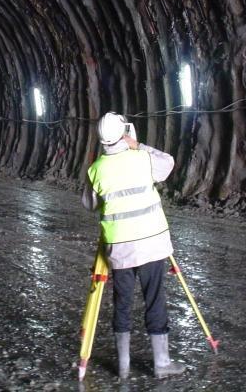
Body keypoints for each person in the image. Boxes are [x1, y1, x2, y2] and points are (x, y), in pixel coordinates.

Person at [82, 111, 185, 380]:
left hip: (119, 248)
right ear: (124, 133)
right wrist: (137, 145)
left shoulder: (96, 169)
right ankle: (161, 363)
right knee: (155, 300)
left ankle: (124, 366)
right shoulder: (141, 158)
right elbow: (168, 164)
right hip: (151, 243)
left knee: (122, 303)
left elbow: (89, 204)